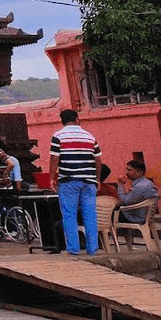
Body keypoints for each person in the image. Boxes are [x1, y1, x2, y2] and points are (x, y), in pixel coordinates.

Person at [49, 109, 102, 258]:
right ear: (77, 119)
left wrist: (52, 178)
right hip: (89, 181)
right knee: (90, 214)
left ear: (62, 121)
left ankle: (73, 248)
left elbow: (54, 159)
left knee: (69, 214)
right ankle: (93, 249)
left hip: (68, 180)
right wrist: (97, 178)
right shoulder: (90, 136)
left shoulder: (58, 136)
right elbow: (98, 160)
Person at [116, 159, 160, 224]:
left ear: (139, 172)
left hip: (134, 217)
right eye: (126, 169)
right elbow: (130, 198)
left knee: (107, 214)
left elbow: (124, 201)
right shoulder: (147, 183)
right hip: (143, 215)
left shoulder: (140, 186)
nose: (126, 172)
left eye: (129, 170)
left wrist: (120, 185)